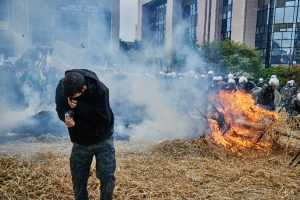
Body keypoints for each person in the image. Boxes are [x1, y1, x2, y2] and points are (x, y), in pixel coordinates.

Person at [55, 69, 115, 200]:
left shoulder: (101, 90)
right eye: (69, 96)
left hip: (103, 137)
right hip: (80, 140)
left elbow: (103, 118)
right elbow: (60, 108)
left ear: (84, 88)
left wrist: (78, 106)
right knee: (78, 178)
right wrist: (66, 116)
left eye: (74, 97)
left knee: (107, 176)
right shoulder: (63, 87)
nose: (71, 99)